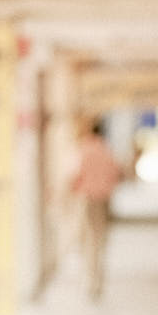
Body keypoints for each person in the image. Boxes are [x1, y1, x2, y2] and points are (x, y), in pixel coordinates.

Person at [67, 116, 122, 298]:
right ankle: (98, 279)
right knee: (99, 240)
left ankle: (90, 280)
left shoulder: (83, 149)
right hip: (104, 200)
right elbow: (116, 173)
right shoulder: (106, 150)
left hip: (87, 200)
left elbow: (75, 176)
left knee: (87, 241)